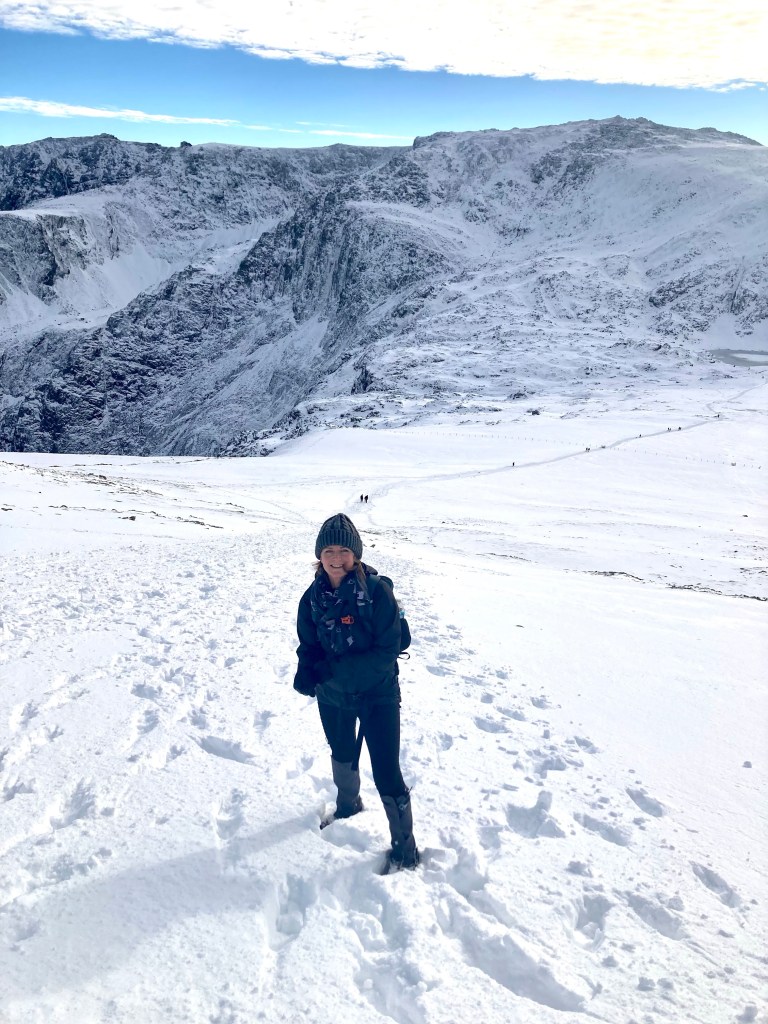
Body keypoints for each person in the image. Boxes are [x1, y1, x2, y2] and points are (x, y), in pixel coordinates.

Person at [293, 513, 419, 871]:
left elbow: (385, 651)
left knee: (386, 770)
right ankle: (348, 806)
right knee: (342, 753)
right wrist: (307, 669)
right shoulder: (312, 597)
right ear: (319, 555)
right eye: (328, 550)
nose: (335, 558)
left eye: (343, 550)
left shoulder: (377, 593)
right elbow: (309, 642)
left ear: (356, 554)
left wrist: (332, 669)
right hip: (333, 696)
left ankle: (404, 847)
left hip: (378, 695)